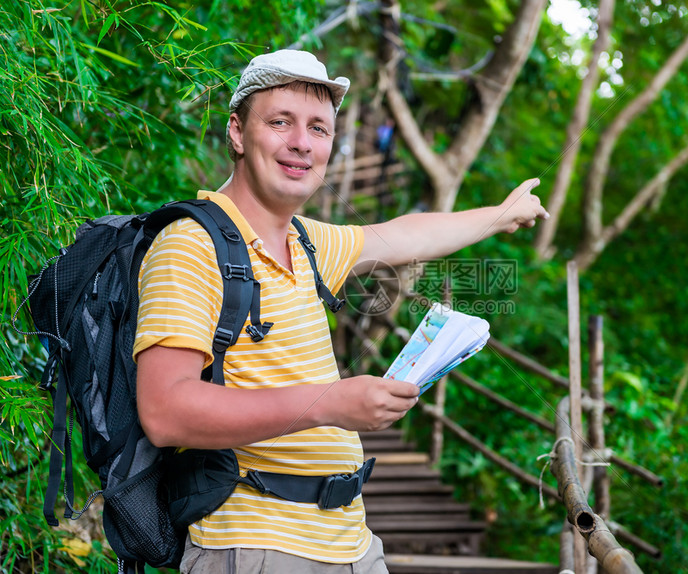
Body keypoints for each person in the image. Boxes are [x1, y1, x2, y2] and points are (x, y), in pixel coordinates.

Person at [134, 49, 549, 574]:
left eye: (319, 129)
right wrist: (332, 403)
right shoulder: (192, 246)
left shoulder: (307, 243)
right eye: (280, 122)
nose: (302, 143)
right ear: (237, 132)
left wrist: (498, 216)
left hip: (350, 542)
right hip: (257, 544)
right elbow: (166, 412)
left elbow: (403, 234)